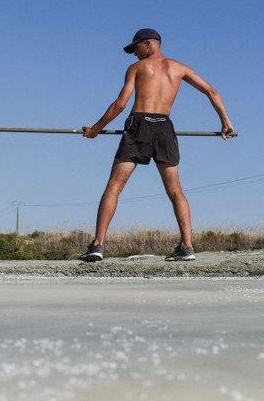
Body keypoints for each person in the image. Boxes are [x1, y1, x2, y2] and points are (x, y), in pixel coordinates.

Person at [80, 28, 235, 262]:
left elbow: (121, 104)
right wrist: (226, 122)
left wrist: (95, 129)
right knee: (175, 190)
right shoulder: (180, 68)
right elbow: (211, 91)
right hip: (164, 127)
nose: (134, 54)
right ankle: (187, 247)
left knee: (114, 185)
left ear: (149, 44)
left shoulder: (136, 69)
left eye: (136, 48)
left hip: (139, 124)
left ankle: (98, 245)